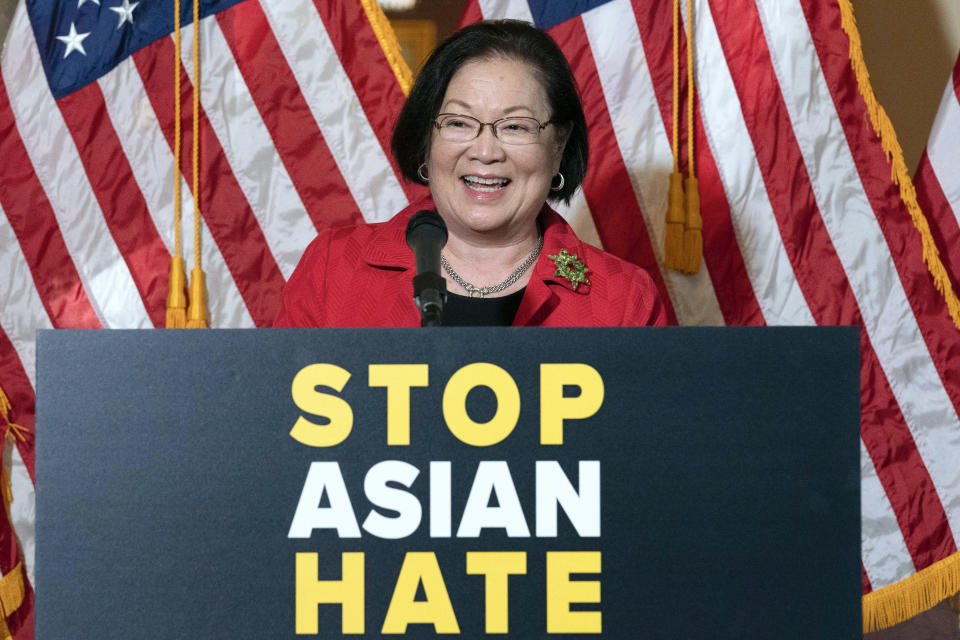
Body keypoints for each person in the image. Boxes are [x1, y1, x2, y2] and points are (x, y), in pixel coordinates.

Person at [275, 20, 666, 328]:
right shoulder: (335, 269)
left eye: (516, 126)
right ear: (427, 137)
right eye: (459, 123)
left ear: (558, 146)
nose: (484, 152)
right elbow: (278, 419)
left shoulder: (623, 298)